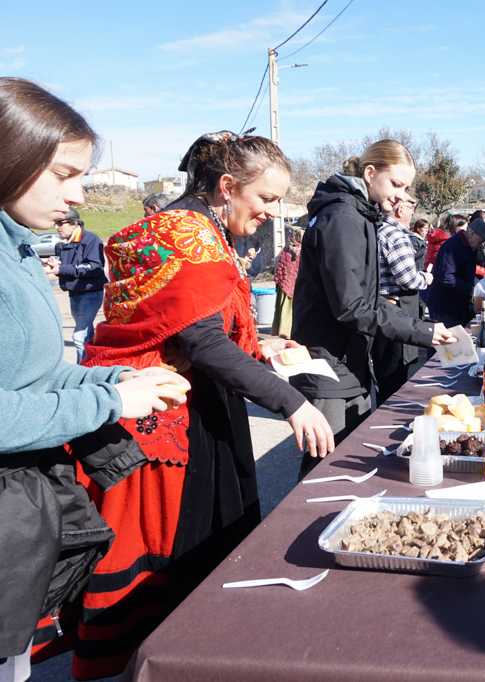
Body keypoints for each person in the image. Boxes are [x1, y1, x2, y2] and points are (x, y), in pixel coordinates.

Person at [70, 132, 335, 678]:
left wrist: (260, 345)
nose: (271, 212)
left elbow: (197, 326)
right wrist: (292, 403)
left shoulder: (197, 229)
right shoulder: (189, 236)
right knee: (180, 557)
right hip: (170, 416)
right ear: (228, 186)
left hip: (185, 401)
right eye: (265, 198)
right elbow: (202, 343)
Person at [0, 77, 188, 682]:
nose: (78, 194)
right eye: (63, 174)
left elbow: (37, 371)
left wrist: (117, 378)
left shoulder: (19, 251)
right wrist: (110, 401)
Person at [291, 139, 455, 476]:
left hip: (347, 363)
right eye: (396, 184)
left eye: (405, 188)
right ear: (370, 173)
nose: (400, 196)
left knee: (346, 466)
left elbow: (367, 296)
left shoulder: (358, 214)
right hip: (330, 367)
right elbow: (352, 305)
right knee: (326, 472)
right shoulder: (343, 218)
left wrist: (420, 328)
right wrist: (421, 331)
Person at [372, 194, 432, 402]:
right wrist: (426, 278)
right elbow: (408, 279)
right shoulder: (396, 235)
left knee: (385, 376)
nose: (413, 213)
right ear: (400, 209)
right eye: (411, 207)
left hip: (382, 311)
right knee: (395, 379)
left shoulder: (378, 230)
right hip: (396, 312)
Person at [43, 208, 107, 362]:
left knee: (79, 336)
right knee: (85, 334)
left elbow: (94, 266)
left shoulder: (90, 240)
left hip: (90, 293)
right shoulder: (66, 243)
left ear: (74, 223)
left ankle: (83, 368)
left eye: (60, 223)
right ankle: (91, 364)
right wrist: (55, 264)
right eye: (55, 223)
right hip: (75, 293)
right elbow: (70, 265)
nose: (57, 227)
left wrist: (61, 269)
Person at [425, 217, 485, 328]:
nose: (481, 244)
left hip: (460, 302)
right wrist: (471, 289)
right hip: (445, 305)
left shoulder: (470, 247)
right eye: (480, 240)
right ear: (471, 233)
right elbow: (446, 277)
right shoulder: (452, 246)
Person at [272, 226, 302, 337]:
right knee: (292, 310)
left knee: (283, 308)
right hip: (297, 286)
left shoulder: (285, 250)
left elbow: (279, 266)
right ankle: (289, 332)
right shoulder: (302, 251)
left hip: (284, 285)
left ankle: (282, 331)